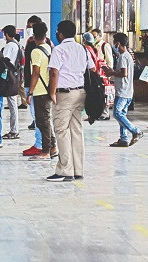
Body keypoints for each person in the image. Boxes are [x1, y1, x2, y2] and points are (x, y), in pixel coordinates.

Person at [47, 20, 95, 182]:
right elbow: (93, 69)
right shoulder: (82, 48)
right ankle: (78, 169)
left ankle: (65, 170)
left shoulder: (59, 49)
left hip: (64, 94)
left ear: (60, 34)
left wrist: (52, 93)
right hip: (80, 93)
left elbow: (54, 72)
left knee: (61, 130)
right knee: (76, 130)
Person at [103, 33, 143, 147]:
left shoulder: (123, 56)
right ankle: (123, 138)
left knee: (117, 113)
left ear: (118, 43)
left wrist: (111, 73)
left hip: (123, 91)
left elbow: (123, 73)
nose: (114, 45)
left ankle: (135, 131)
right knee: (122, 114)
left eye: (114, 42)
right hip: (128, 90)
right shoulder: (127, 55)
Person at [26, 22, 57, 160]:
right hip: (48, 89)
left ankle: (46, 150)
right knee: (44, 120)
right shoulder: (50, 48)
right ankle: (53, 146)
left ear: (33, 35)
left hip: (40, 91)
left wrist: (30, 92)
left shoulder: (36, 51)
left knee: (42, 122)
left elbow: (35, 73)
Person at [1, 25, 22, 140]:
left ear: (7, 35)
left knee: (12, 103)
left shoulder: (10, 45)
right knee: (12, 103)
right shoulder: (17, 44)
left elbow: (5, 60)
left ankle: (14, 130)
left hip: (9, 76)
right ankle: (14, 130)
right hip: (15, 75)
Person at [92, 28, 113, 120]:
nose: (93, 38)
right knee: (98, 93)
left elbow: (109, 61)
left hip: (103, 74)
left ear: (100, 36)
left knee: (104, 94)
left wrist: (109, 75)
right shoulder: (94, 45)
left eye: (94, 36)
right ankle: (99, 112)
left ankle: (105, 113)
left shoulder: (105, 45)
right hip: (96, 73)